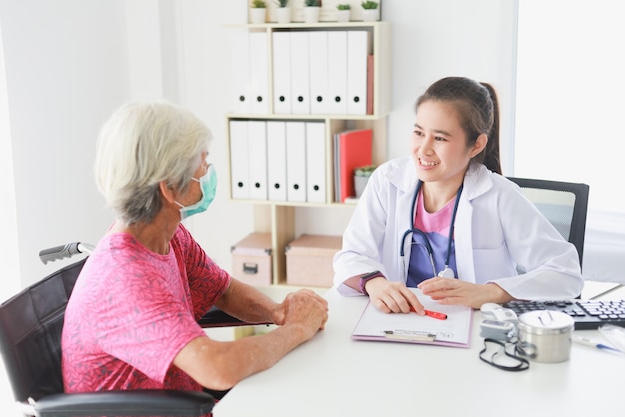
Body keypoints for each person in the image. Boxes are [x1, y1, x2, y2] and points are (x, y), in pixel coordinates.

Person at [61, 101, 329, 405]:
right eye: (203, 163)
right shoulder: (124, 280)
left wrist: (277, 312)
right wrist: (296, 329)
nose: (209, 172)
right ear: (170, 188)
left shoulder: (167, 234)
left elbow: (223, 291)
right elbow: (218, 368)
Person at [333, 76, 583, 314]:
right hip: (400, 322)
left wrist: (491, 292)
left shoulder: (499, 196)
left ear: (476, 145)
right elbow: (352, 255)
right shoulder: (387, 181)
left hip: (475, 330)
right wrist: (374, 283)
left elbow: (566, 273)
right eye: (419, 132)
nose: (423, 149)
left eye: (440, 138)